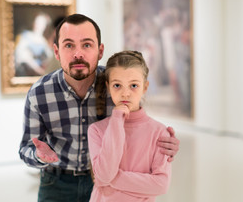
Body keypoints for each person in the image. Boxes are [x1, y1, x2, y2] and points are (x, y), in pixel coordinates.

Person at [18, 14, 180, 202]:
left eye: (86, 45)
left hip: (108, 188)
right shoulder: (39, 93)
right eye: (69, 45)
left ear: (100, 51)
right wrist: (39, 155)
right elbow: (26, 148)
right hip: (56, 182)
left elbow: (140, 132)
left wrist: (165, 146)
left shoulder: (117, 84)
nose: (78, 54)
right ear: (56, 52)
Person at [88, 50, 171, 202]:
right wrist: (117, 119)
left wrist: (112, 178)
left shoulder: (160, 132)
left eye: (133, 85)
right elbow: (105, 174)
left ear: (145, 87)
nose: (125, 94)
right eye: (117, 85)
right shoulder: (96, 130)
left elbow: (161, 185)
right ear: (108, 87)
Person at [14, 12, 54, 76]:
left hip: (38, 74)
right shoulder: (25, 36)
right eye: (37, 23)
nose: (38, 25)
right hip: (25, 72)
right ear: (34, 23)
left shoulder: (43, 41)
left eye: (41, 24)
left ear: (45, 26)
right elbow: (23, 56)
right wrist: (38, 70)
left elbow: (49, 58)